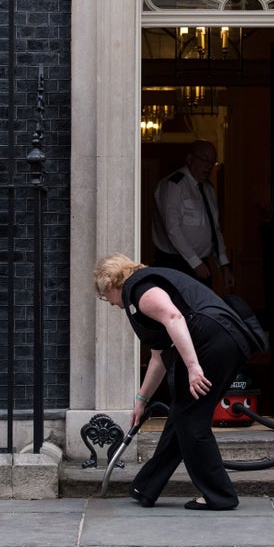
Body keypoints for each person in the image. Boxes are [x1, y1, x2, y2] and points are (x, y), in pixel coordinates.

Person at [93, 253, 249, 511]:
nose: (108, 303)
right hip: (220, 341)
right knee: (181, 416)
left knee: (191, 419)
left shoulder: (142, 291)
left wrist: (193, 367)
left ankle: (220, 496)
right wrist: (141, 401)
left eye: (104, 296)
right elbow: (159, 358)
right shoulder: (142, 291)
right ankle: (146, 487)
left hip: (213, 344)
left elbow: (175, 318)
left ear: (111, 285)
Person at [151, 140, 235, 290]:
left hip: (201, 264)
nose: (209, 166)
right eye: (204, 160)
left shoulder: (208, 189)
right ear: (190, 159)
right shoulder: (174, 185)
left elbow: (215, 231)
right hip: (175, 264)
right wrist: (195, 263)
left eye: (212, 161)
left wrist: (224, 265)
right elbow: (173, 228)